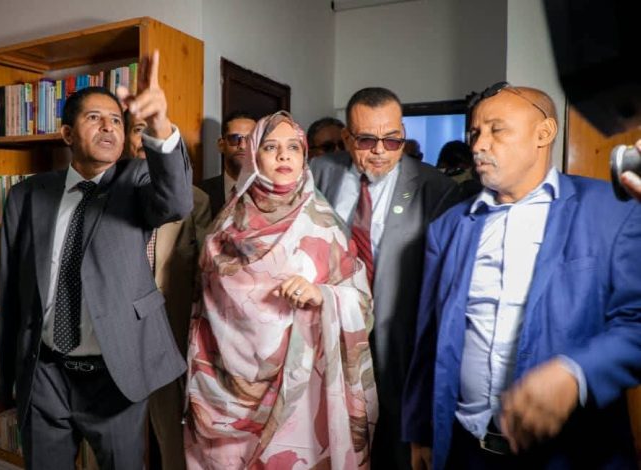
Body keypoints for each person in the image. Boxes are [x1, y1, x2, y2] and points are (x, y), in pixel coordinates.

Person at [402, 82, 641, 470]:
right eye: (475, 133)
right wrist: (421, 430)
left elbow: (636, 323)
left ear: (543, 133)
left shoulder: (612, 211)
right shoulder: (448, 228)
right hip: (467, 449)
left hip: (570, 454)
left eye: (497, 130)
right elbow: (429, 335)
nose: (479, 145)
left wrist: (576, 375)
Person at [0, 51, 194, 469]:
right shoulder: (27, 195)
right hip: (46, 371)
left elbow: (176, 200)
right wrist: (7, 379)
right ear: (67, 133)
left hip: (115, 373)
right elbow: (13, 290)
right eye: (94, 118)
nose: (109, 127)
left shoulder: (135, 179)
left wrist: (160, 125)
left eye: (117, 120)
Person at [184, 111, 378, 468]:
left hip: (302, 388)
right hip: (227, 390)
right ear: (253, 155)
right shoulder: (225, 226)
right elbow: (204, 311)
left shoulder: (324, 224)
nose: (284, 155)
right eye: (271, 147)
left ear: (304, 157)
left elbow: (362, 304)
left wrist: (323, 296)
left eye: (293, 147)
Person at [310, 87, 461, 470]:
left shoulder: (435, 189)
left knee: (395, 447)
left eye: (392, 139)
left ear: (403, 134)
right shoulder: (319, 173)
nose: (380, 150)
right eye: (366, 140)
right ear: (347, 138)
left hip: (399, 342)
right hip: (332, 337)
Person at [122, 111, 211, 470]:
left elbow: (204, 268)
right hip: (117, 326)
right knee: (114, 426)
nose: (145, 141)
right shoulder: (108, 195)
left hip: (168, 326)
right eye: (138, 131)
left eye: (153, 133)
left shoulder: (195, 200)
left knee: (170, 423)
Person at [199, 111, 256, 218]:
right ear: (221, 145)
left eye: (250, 139)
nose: (242, 146)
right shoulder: (200, 193)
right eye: (235, 138)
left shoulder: (273, 192)